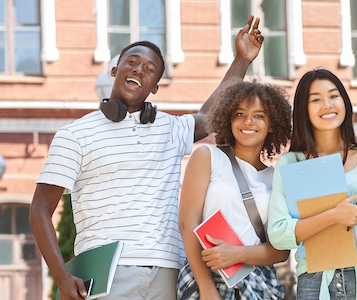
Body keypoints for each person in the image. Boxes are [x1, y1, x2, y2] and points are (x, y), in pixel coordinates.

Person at [29, 16, 265, 300]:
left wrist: (241, 59)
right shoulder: (75, 134)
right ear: (114, 70)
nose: (139, 70)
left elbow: (209, 116)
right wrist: (62, 277)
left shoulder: (170, 128)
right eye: (132, 62)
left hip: (169, 271)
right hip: (107, 272)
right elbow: (40, 209)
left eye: (149, 69)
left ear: (154, 86)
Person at [267, 69, 357, 300]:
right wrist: (334, 216)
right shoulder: (292, 163)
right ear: (304, 110)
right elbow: (278, 233)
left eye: (334, 96)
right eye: (315, 99)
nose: (327, 104)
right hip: (316, 279)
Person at [176, 80, 292, 299]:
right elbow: (187, 224)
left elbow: (281, 250)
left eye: (259, 115)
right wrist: (207, 289)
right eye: (240, 114)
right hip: (205, 277)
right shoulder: (207, 157)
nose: (248, 122)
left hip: (257, 284)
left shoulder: (277, 177)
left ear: (272, 124)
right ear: (228, 118)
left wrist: (238, 254)